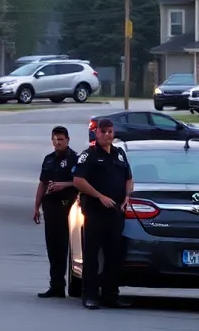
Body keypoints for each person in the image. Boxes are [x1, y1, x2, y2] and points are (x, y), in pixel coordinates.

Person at [71, 117, 134, 310]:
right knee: (92, 255)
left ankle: (111, 295)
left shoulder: (119, 154)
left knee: (113, 255)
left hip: (115, 213)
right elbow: (78, 180)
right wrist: (100, 196)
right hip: (95, 212)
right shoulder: (88, 155)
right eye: (103, 132)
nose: (107, 135)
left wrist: (127, 197)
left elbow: (129, 178)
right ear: (96, 133)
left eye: (110, 132)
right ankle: (90, 295)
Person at [33, 125, 79, 298]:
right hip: (50, 206)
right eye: (55, 139)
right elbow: (42, 183)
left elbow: (80, 182)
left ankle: (70, 284)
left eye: (61, 139)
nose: (58, 143)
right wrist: (36, 206)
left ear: (68, 140)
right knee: (52, 246)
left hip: (67, 206)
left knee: (64, 246)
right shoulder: (48, 159)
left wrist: (64, 185)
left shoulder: (75, 158)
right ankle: (56, 285)